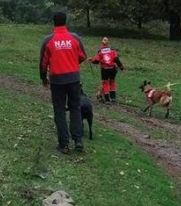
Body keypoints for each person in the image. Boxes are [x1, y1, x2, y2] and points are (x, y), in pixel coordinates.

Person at [39, 12, 87, 154]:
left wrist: (43, 78)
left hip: (57, 80)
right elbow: (82, 56)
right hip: (74, 79)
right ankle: (78, 140)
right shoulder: (75, 38)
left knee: (59, 110)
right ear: (66, 21)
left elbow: (43, 63)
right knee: (75, 108)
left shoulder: (48, 40)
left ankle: (64, 144)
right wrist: (72, 63)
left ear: (53, 22)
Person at [89, 37, 125, 103]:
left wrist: (91, 60)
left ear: (102, 43)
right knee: (112, 82)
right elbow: (117, 60)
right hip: (112, 69)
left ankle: (107, 99)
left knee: (105, 83)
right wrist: (121, 67)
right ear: (108, 43)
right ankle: (113, 98)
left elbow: (96, 61)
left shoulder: (100, 51)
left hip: (104, 69)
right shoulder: (113, 50)